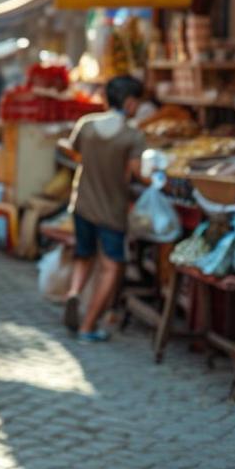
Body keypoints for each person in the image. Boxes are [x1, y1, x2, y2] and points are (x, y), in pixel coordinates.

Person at [60, 75, 147, 342]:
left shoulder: (86, 125)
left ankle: (74, 293)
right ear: (131, 103)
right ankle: (88, 326)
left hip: (82, 203)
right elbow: (138, 173)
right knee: (112, 265)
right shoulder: (132, 136)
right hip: (112, 209)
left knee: (84, 255)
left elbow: (72, 151)